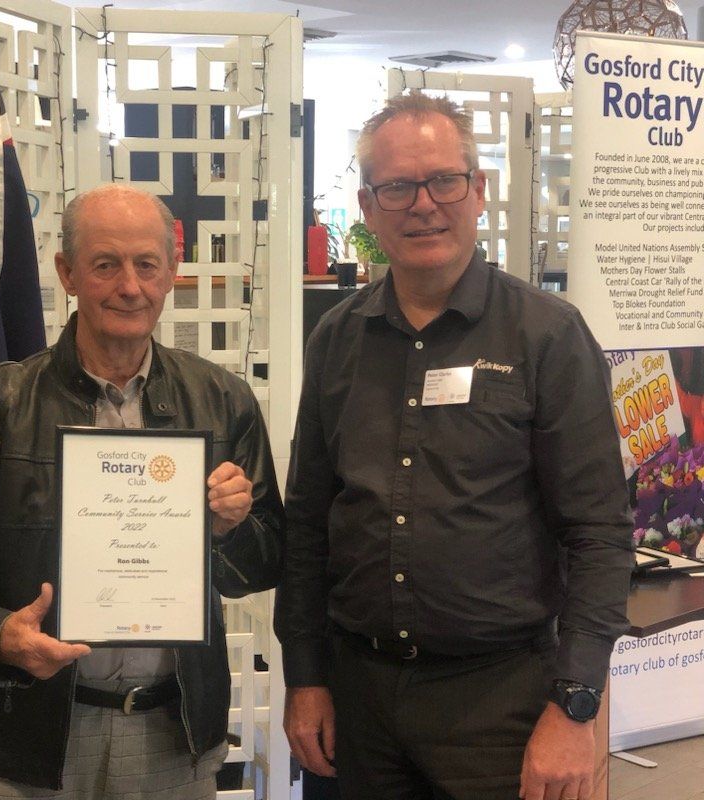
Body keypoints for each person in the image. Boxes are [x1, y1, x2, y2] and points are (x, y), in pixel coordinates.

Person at [274, 93, 634, 800]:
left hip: (499, 702)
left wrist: (575, 706)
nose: (423, 205)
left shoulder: (548, 337)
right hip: (358, 699)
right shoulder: (337, 341)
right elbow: (308, 521)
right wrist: (306, 675)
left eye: (443, 180)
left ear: (478, 190)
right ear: (368, 206)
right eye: (397, 187)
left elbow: (600, 533)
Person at [0, 184, 284, 799]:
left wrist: (228, 530)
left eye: (146, 264)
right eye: (105, 264)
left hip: (172, 735)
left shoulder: (222, 401)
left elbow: (263, 565)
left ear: (170, 273)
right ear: (67, 272)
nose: (128, 286)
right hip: (27, 738)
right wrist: (2, 638)